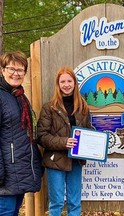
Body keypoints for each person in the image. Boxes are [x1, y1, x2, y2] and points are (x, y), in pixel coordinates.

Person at [37, 66, 93, 216]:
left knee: (75, 202)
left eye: (69, 81)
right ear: (58, 84)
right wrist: (64, 142)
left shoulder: (83, 107)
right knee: (56, 203)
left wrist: (96, 142)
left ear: (75, 83)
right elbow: (41, 136)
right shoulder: (49, 108)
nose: (66, 84)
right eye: (63, 81)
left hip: (76, 160)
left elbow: (88, 130)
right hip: (56, 161)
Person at [0, 51, 43, 215]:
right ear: (3, 70)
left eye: (20, 70)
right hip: (5, 175)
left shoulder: (20, 97)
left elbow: (27, 135)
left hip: (19, 171)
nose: (15, 74)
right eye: (11, 69)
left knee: (14, 212)